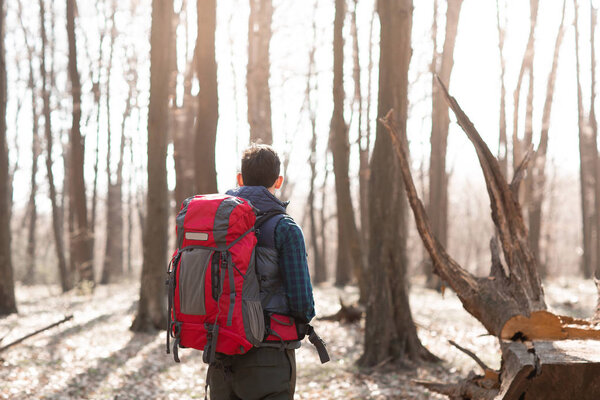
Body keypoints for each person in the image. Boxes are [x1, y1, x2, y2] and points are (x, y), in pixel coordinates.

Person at [206, 144, 316, 400]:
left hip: (221, 353)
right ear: (278, 181)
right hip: (269, 355)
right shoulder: (285, 228)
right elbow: (302, 302)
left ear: (239, 179)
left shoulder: (216, 224)